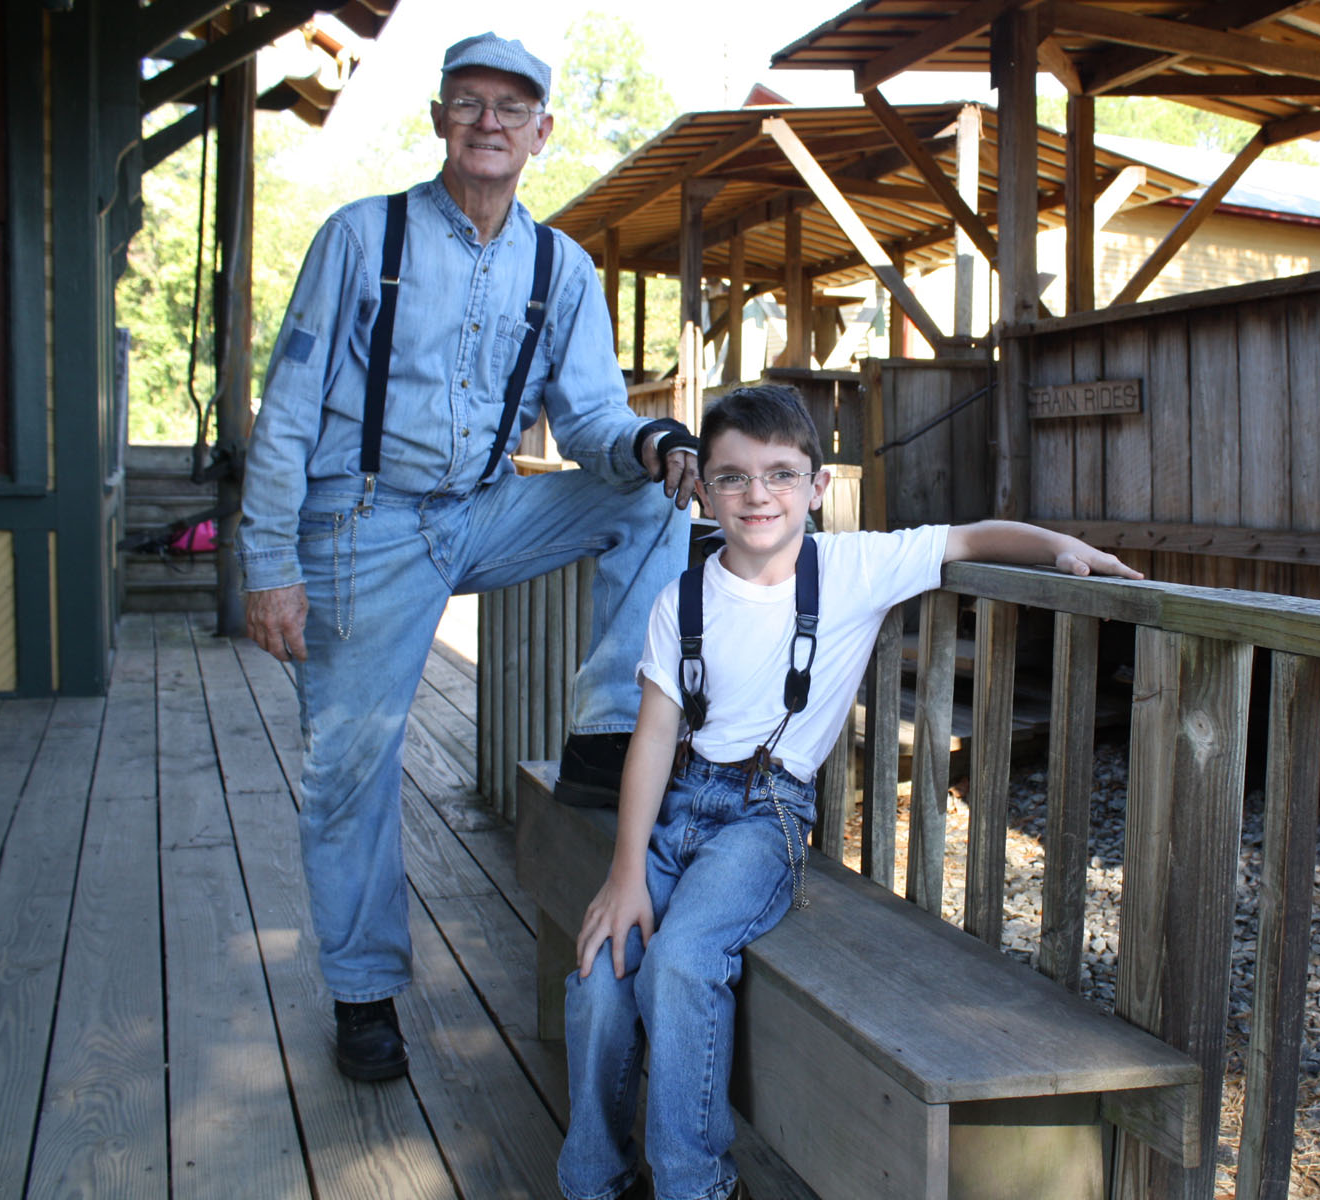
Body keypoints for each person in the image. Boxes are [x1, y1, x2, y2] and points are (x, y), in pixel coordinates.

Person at [238, 32, 697, 1083]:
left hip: (485, 512)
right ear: (440, 119)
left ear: (542, 131)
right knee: (350, 767)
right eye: (469, 102)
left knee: (664, 498)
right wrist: (268, 562)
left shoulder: (561, 266)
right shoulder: (363, 238)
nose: (489, 121)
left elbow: (586, 418)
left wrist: (652, 442)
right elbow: (292, 408)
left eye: (512, 106)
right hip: (364, 527)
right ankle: (363, 993)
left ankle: (608, 731)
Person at [557, 384, 1142, 1200]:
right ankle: (595, 1177)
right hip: (679, 806)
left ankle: (696, 1185)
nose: (757, 495)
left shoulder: (855, 567)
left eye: (780, 475)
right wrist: (625, 874)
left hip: (765, 817)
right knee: (599, 970)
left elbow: (969, 533)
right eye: (731, 478)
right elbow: (653, 739)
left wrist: (1062, 550)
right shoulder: (681, 598)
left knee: (681, 964)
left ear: (817, 486)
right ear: (704, 488)